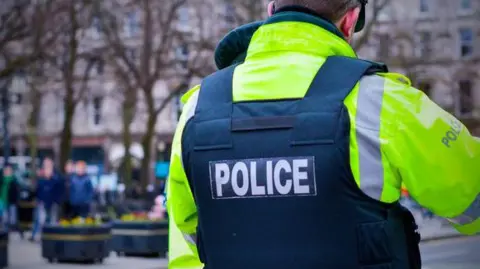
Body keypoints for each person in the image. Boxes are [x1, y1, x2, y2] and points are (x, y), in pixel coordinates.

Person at [167, 1, 480, 269]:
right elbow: (470, 199)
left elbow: (186, 241)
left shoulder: (197, 109)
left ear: (270, 10)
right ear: (350, 19)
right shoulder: (383, 101)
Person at [30, 158, 61, 241]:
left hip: (52, 203)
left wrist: (57, 201)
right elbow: (36, 190)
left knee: (51, 220)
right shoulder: (41, 179)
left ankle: (51, 237)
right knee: (40, 220)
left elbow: (58, 192)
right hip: (41, 202)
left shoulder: (56, 179)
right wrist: (36, 199)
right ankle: (37, 236)